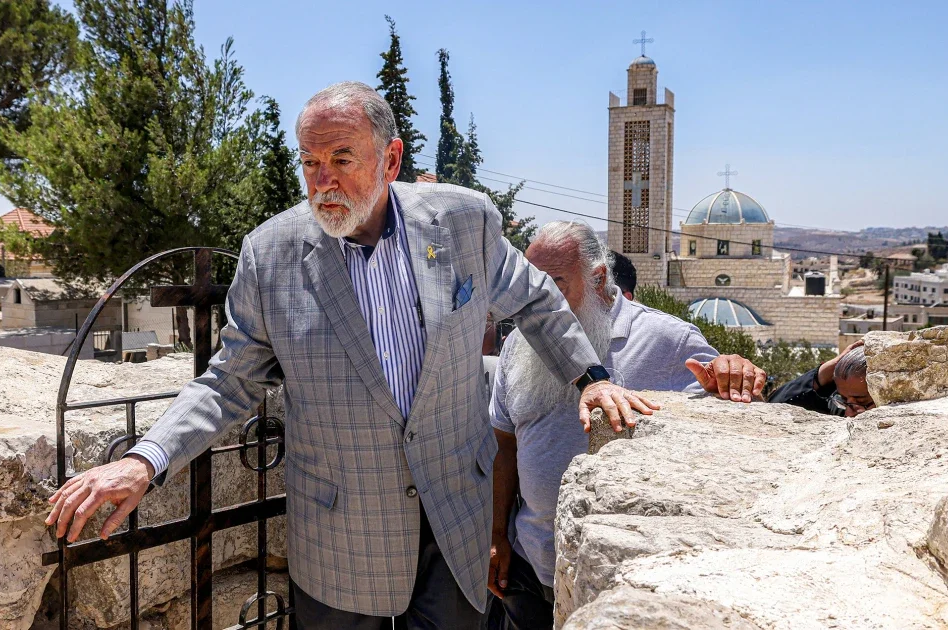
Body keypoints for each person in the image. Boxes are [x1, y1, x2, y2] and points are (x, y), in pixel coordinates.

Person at [46, 82, 658, 628]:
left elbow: (537, 299)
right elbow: (228, 381)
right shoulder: (270, 255)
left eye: (342, 159)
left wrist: (590, 377)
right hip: (340, 536)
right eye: (310, 162)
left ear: (390, 160)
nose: (323, 181)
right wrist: (145, 460)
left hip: (454, 519)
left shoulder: (463, 222)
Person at [487, 221, 766, 630]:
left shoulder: (666, 339)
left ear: (599, 278)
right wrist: (497, 535)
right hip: (530, 564)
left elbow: (735, 413)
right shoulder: (518, 343)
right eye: (533, 286)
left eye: (555, 285)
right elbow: (504, 443)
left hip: (619, 573)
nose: (539, 301)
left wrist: (734, 372)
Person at [768, 341, 875, 417]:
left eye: (861, 401)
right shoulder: (838, 407)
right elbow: (776, 406)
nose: (848, 413)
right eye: (843, 400)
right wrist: (825, 372)